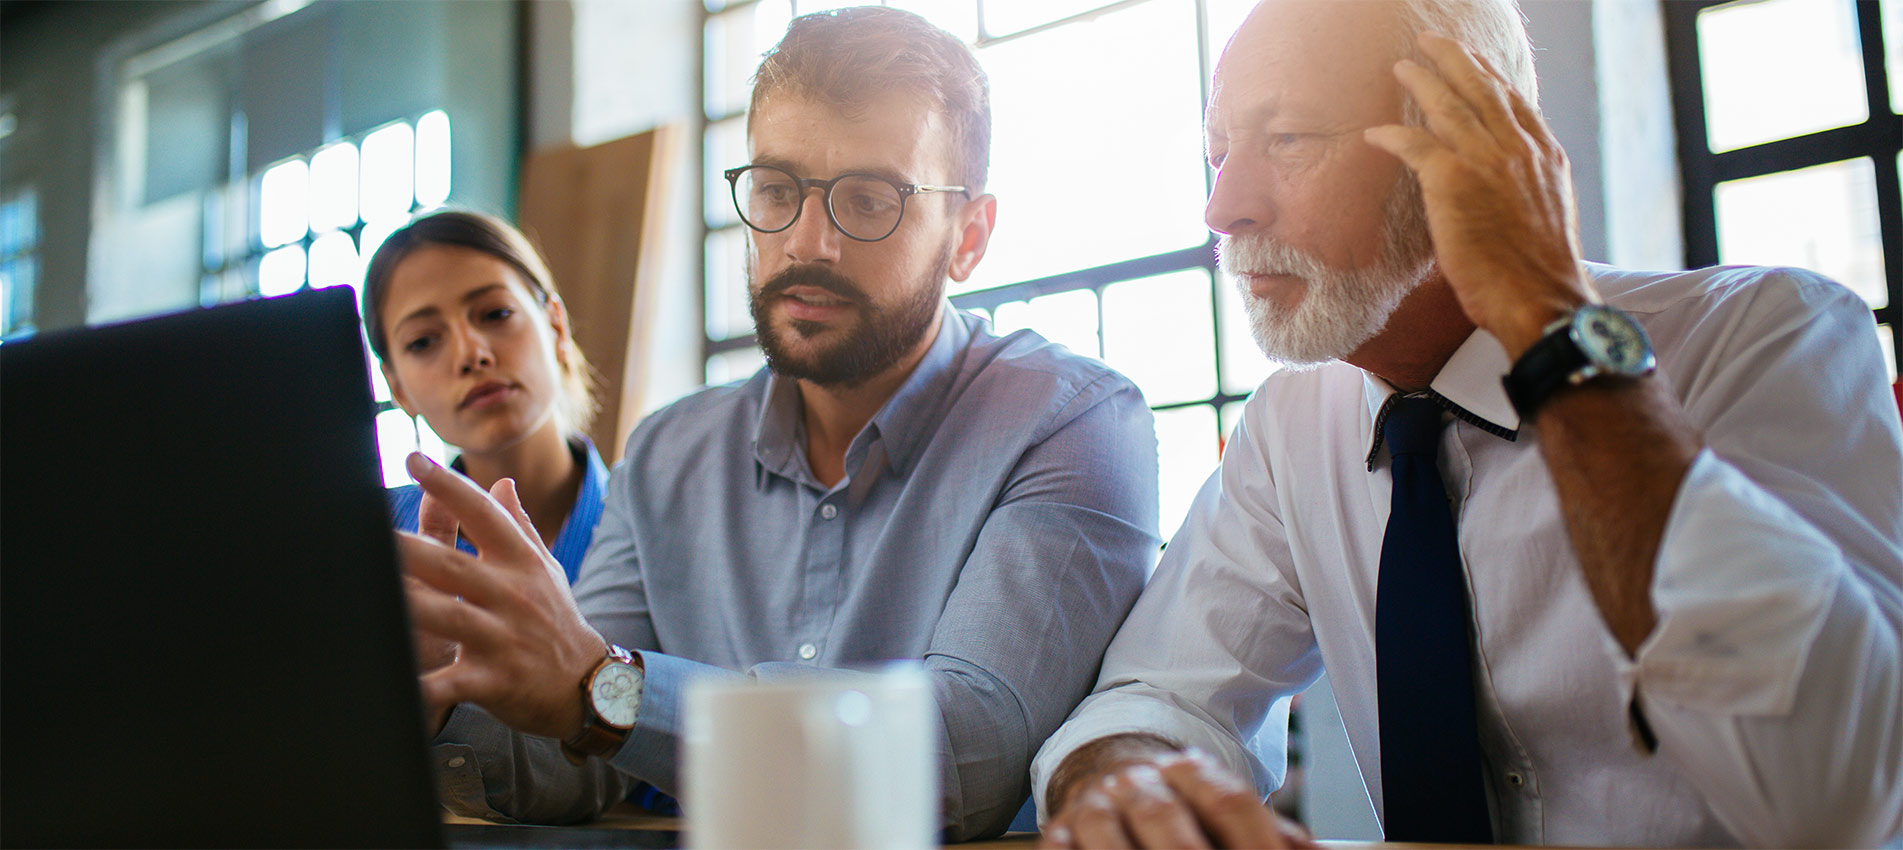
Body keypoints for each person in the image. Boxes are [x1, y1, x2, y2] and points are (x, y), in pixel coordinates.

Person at [1031, 0, 1903, 847]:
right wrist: (1127, 779)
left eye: (1286, 139)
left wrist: (1549, 324)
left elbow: (1841, 798)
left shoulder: (1763, 335)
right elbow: (1160, 693)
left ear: (1475, 143)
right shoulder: (1290, 425)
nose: (1224, 210)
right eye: (1219, 155)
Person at [397, 6, 1161, 839]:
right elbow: (577, 752)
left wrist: (601, 686)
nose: (807, 243)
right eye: (775, 189)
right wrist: (444, 690)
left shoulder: (1070, 421)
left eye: (869, 200)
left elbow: (966, 753)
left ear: (967, 238)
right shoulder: (665, 456)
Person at [362, 209, 609, 585]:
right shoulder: (377, 543)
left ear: (556, 327)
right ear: (396, 388)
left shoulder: (649, 521)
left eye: (496, 313)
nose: (470, 354)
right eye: (423, 341)